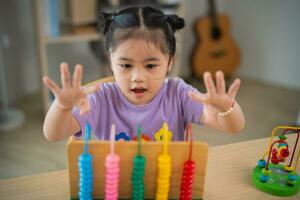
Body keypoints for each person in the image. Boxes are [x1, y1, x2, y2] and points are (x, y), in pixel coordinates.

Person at [42, 6, 244, 142]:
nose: (137, 77)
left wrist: (226, 109)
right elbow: (53, 134)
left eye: (150, 66)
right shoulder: (100, 98)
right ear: (111, 62)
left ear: (169, 62)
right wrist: (62, 106)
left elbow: (235, 127)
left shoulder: (180, 95)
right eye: (126, 66)